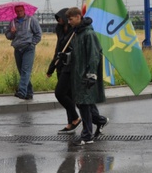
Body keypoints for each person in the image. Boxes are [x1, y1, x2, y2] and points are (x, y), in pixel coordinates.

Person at [66, 7, 109, 145]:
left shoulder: (88, 34)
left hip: (85, 75)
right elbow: (77, 54)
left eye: (70, 19)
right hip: (78, 75)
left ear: (78, 17)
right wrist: (66, 56)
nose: (69, 22)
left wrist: (91, 74)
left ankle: (87, 136)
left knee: (84, 103)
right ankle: (101, 121)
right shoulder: (78, 34)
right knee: (84, 103)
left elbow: (93, 55)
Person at [46, 8, 81, 134]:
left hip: (70, 66)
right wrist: (52, 67)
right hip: (61, 65)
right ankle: (70, 122)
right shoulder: (60, 30)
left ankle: (76, 118)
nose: (58, 20)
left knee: (60, 93)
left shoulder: (75, 31)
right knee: (68, 95)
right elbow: (58, 49)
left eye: (60, 17)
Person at [5, 5, 42, 100]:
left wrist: (32, 44)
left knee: (25, 70)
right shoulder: (12, 22)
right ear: (15, 11)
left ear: (24, 10)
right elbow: (8, 36)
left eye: (21, 10)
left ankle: (21, 92)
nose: (19, 12)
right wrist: (12, 32)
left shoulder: (31, 20)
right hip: (17, 48)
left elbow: (38, 34)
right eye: (17, 11)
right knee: (22, 72)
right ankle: (29, 93)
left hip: (28, 48)